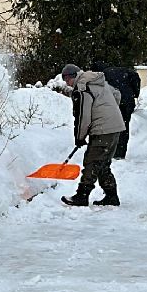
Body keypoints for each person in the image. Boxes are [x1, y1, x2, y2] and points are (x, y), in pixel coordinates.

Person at [58, 63, 125, 207]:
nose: (67, 83)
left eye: (67, 79)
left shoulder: (82, 87)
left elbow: (83, 116)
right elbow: (116, 94)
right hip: (115, 127)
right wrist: (109, 113)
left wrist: (80, 137)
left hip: (103, 129)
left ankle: (81, 196)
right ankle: (111, 196)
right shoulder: (96, 81)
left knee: (92, 162)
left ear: (73, 76)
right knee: (102, 163)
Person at [92, 59, 141, 159]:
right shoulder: (123, 71)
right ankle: (121, 153)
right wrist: (135, 93)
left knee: (113, 127)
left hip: (114, 102)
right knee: (124, 126)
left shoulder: (103, 75)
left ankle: (113, 151)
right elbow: (135, 77)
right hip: (127, 101)